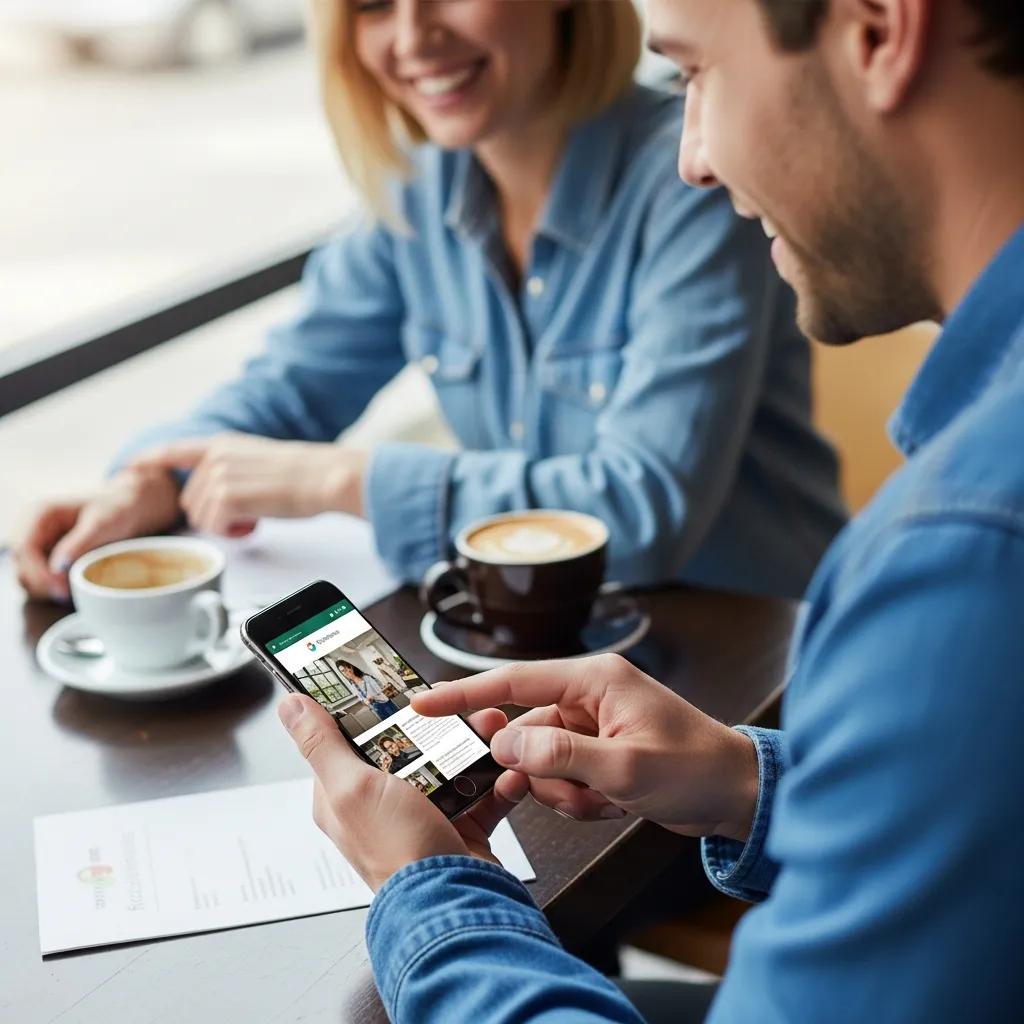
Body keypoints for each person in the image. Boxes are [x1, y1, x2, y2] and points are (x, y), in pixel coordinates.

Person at [276, 0, 1024, 1021]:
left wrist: (426, 892)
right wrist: (745, 779)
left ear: (878, 31)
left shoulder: (960, 555)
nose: (694, 160)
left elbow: (649, 496)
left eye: (693, 76)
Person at [13, 0, 846, 607]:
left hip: (755, 666)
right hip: (545, 644)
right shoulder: (416, 191)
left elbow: (638, 513)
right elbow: (290, 390)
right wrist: (147, 479)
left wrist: (342, 479)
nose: (413, 38)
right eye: (374, 6)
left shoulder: (693, 183)